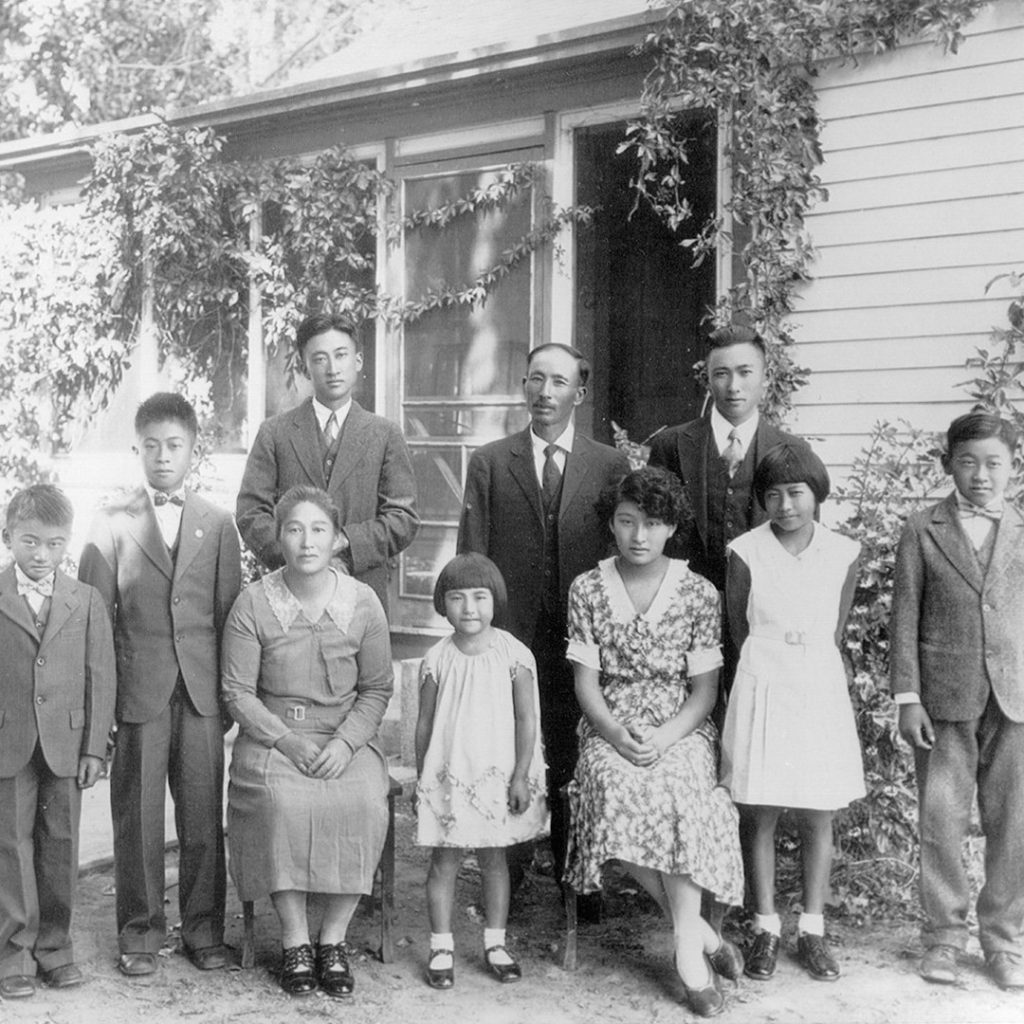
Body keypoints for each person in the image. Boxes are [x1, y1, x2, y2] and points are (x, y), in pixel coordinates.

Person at [564, 467, 744, 1018]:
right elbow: (585, 684)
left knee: (679, 793)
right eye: (627, 522)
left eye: (654, 523)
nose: (639, 536)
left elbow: (705, 690)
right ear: (611, 526)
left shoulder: (698, 593)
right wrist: (617, 735)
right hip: (609, 725)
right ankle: (703, 939)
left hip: (680, 725)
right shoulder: (588, 589)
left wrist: (666, 737)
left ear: (672, 528)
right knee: (613, 789)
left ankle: (688, 952)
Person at [78, 393, 242, 976]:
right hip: (139, 694)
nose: (163, 457)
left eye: (175, 446)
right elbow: (96, 622)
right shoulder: (113, 521)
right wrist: (105, 712)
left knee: (202, 819)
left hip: (199, 696)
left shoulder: (219, 524)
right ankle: (140, 935)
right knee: (139, 819)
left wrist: (228, 699)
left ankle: (203, 930)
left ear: (194, 449)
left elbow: (229, 618)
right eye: (152, 446)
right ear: (137, 450)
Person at [457, 343, 629, 892]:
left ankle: (578, 872)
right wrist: (478, 634)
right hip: (513, 633)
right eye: (535, 380)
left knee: (574, 746)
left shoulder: (608, 464)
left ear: (579, 392)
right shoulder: (490, 462)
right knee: (510, 744)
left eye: (558, 382)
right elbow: (472, 559)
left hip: (580, 636)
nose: (545, 393)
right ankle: (509, 867)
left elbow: (619, 552)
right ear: (523, 387)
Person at [222, 486, 393, 998]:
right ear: (278, 539)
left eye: (318, 529)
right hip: (273, 737)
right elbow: (237, 691)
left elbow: (377, 688)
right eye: (294, 529)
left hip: (345, 736)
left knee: (364, 800)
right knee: (282, 802)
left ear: (339, 538)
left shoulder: (363, 602)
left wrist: (345, 744)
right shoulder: (254, 602)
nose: (306, 541)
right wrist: (287, 742)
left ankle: (333, 940)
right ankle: (296, 939)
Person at [720, 442, 863, 983]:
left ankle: (814, 928)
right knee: (761, 808)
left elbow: (837, 624)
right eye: (773, 495)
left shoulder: (843, 551)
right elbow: (737, 629)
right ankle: (765, 926)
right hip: (764, 678)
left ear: (816, 494)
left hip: (817, 682)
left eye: (796, 493)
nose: (785, 506)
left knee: (818, 811)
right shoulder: (746, 551)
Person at [891, 410, 1024, 991]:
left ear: (1013, 467)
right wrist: (907, 696)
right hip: (943, 698)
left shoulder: (1021, 530)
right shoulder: (922, 529)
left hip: (1016, 697)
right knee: (942, 820)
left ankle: (1003, 941)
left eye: (994, 463)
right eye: (967, 462)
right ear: (948, 464)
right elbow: (904, 617)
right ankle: (943, 938)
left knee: (1014, 823)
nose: (980, 475)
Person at [0, 485, 116, 999]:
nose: (40, 555)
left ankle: (56, 949)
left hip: (68, 744)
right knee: (10, 846)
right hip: (8, 741)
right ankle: (14, 955)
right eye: (29, 542)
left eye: (52, 544)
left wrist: (95, 746)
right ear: (8, 538)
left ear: (66, 542)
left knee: (60, 844)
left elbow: (101, 674)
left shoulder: (85, 599)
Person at [414, 553, 548, 990]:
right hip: (450, 775)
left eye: (479, 597)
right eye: (457, 598)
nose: (468, 608)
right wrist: (424, 778)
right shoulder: (436, 659)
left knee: (494, 860)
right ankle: (441, 945)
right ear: (443, 602)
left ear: (495, 600)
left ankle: (495, 942)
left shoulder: (515, 654)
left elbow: (527, 719)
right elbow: (424, 724)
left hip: (497, 775)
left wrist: (521, 774)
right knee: (444, 862)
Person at [236, 312, 419, 614]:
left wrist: (347, 541)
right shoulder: (275, 433)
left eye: (341, 355)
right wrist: (299, 555)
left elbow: (403, 517)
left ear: (358, 361)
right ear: (304, 367)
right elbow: (250, 512)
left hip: (361, 593)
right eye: (319, 358)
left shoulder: (384, 434)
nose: (332, 369)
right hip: (288, 593)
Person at [647, 324, 805, 593]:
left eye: (745, 372)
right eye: (721, 374)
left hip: (763, 613)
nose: (734, 386)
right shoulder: (670, 446)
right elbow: (650, 532)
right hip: (683, 609)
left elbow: (803, 548)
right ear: (708, 380)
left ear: (765, 378)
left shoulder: (793, 451)